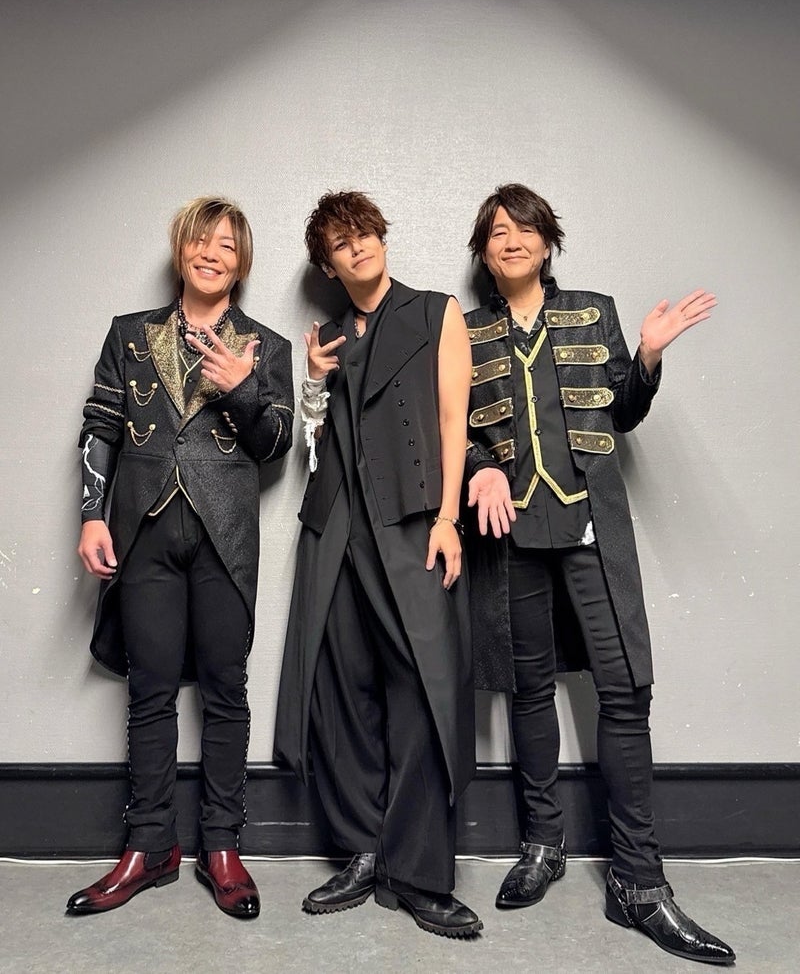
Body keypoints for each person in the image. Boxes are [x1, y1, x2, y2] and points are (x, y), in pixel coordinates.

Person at [463, 183, 735, 965]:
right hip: (512, 532)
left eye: (524, 227)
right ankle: (542, 843)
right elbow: (457, 429)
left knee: (624, 690)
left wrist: (647, 355)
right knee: (529, 686)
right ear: (484, 252)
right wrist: (481, 467)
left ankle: (638, 881)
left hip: (588, 525)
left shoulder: (592, 310)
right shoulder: (467, 333)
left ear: (547, 241)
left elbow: (622, 410)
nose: (511, 238)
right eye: (496, 231)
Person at [67, 196, 294, 919]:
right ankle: (149, 847)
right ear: (181, 250)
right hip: (143, 535)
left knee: (226, 691)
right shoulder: (129, 335)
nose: (211, 253)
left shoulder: (264, 346)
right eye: (201, 240)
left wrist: (243, 389)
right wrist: (91, 515)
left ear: (241, 262)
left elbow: (277, 445)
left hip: (225, 538)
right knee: (150, 691)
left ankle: (222, 846)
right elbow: (101, 425)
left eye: (227, 244)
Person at [274, 191, 481, 938]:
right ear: (328, 266)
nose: (357, 246)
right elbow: (314, 448)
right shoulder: (328, 337)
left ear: (381, 238)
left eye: (363, 232)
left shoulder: (435, 313)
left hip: (413, 525)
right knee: (342, 690)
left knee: (423, 690)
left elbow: (455, 419)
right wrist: (313, 381)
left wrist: (449, 520)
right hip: (336, 531)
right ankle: (363, 851)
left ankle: (418, 872)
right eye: (340, 242)